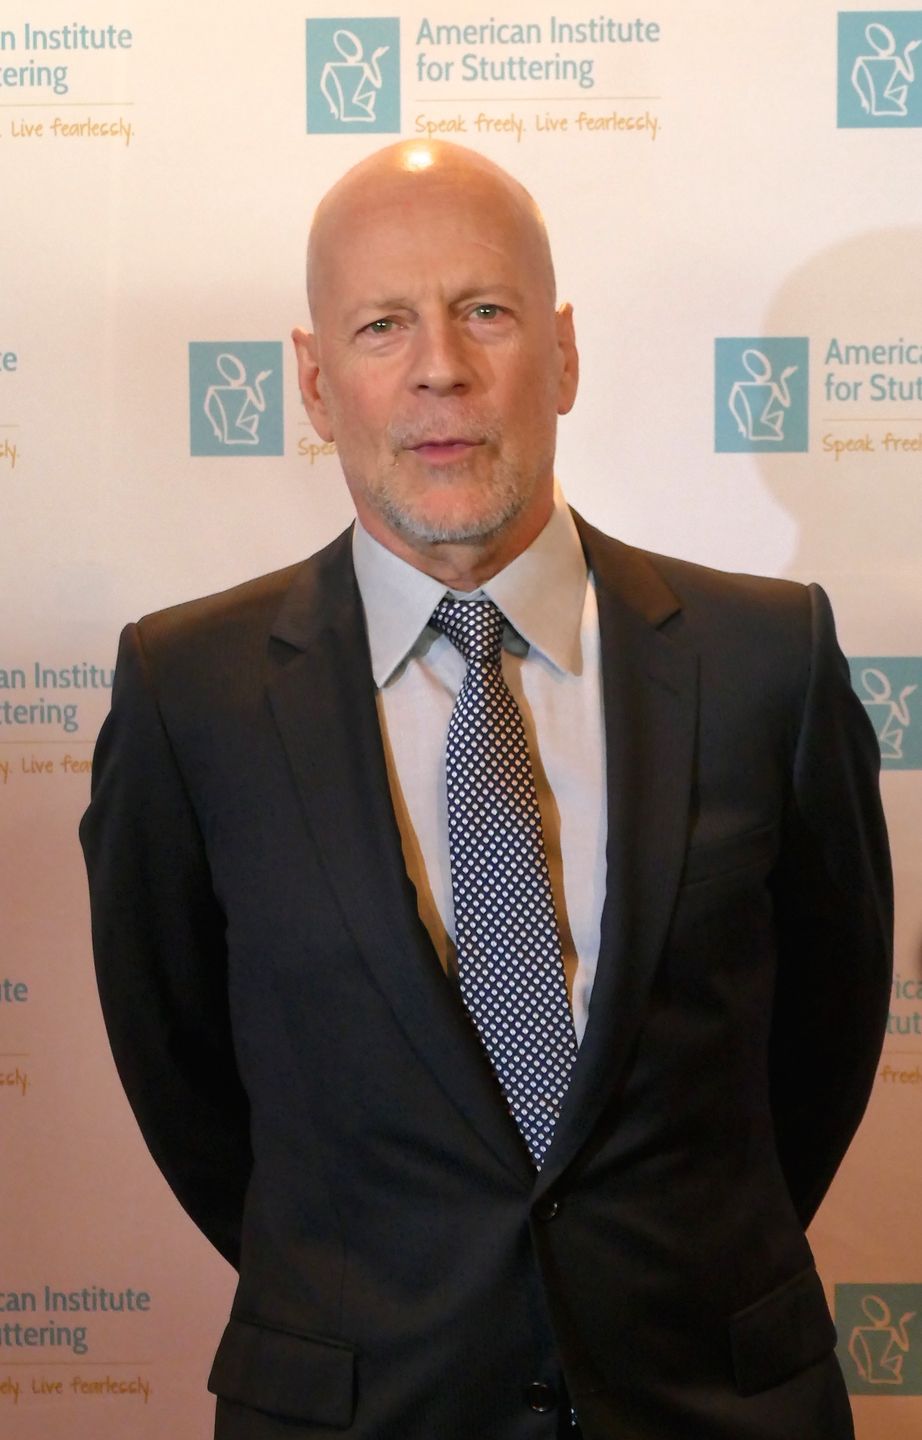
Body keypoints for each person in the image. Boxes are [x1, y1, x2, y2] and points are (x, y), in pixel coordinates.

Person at [80, 141, 893, 1440]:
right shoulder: (192, 693)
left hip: (711, 1404)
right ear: (313, 381)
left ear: (562, 354)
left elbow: (824, 1041)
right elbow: (182, 1073)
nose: (438, 366)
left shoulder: (766, 661)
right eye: (381, 324)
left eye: (485, 311)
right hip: (359, 1408)